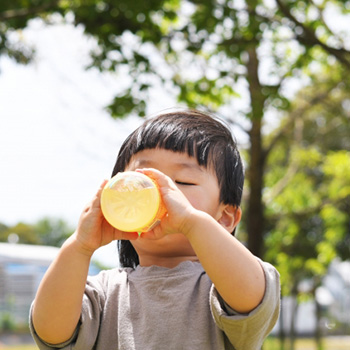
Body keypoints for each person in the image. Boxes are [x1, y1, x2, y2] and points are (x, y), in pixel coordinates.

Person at [30, 109, 280, 350]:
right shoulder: (104, 293)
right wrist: (80, 247)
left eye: (182, 182)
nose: (159, 192)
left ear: (224, 218)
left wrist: (191, 222)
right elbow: (52, 335)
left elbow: (252, 298)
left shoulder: (222, 288)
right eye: (142, 181)